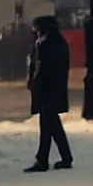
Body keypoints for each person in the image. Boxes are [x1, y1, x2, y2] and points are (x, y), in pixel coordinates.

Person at [24, 15, 74, 172]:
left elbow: (47, 68)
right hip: (48, 90)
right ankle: (62, 157)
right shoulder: (51, 42)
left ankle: (43, 160)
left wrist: (36, 81)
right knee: (52, 126)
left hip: (48, 89)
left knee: (48, 126)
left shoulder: (50, 44)